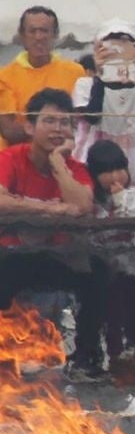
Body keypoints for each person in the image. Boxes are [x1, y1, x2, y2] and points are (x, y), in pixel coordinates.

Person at [0, 88, 107, 379]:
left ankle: (86, 357)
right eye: (49, 121)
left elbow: (82, 205)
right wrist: (51, 210)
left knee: (100, 270)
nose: (58, 129)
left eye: (64, 123)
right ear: (29, 126)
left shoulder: (74, 167)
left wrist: (59, 164)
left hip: (58, 255)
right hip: (11, 254)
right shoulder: (10, 158)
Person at [85, 138, 135, 383]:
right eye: (107, 171)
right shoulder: (92, 203)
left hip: (132, 265)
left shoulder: (133, 196)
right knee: (113, 311)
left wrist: (120, 200)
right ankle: (117, 356)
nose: (115, 176)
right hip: (105, 266)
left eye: (120, 169)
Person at [73, 20, 135, 211]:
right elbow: (92, 116)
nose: (118, 51)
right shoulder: (86, 84)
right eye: (111, 45)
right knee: (96, 209)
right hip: (97, 157)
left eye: (124, 45)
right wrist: (101, 75)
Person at [0, 7, 88, 148]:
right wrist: (55, 130)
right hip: (17, 159)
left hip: (63, 156)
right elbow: (9, 131)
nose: (38, 37)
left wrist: (36, 128)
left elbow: (80, 124)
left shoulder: (75, 72)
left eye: (44, 31)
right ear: (22, 35)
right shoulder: (4, 76)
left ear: (55, 35)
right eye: (32, 31)